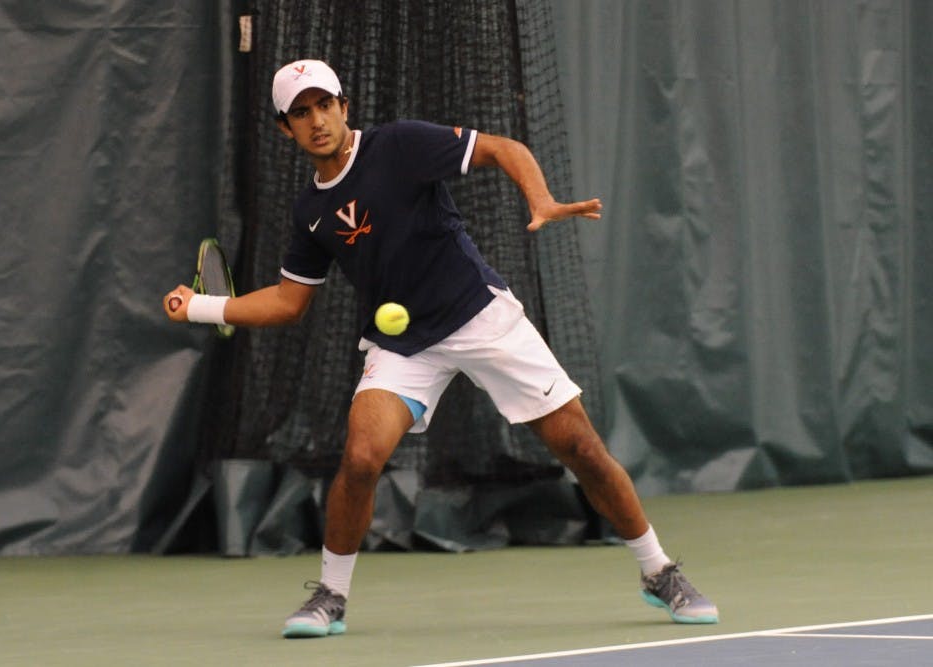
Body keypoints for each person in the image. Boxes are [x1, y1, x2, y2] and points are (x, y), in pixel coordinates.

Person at [163, 59, 719, 638]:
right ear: (286, 129)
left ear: (344, 106)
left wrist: (542, 199)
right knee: (359, 459)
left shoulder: (400, 145)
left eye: (324, 104)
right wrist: (199, 306)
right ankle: (331, 595)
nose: (317, 120)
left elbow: (504, 149)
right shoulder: (311, 213)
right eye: (300, 113)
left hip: (480, 316)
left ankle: (659, 571)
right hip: (404, 345)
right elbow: (287, 302)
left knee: (580, 446)